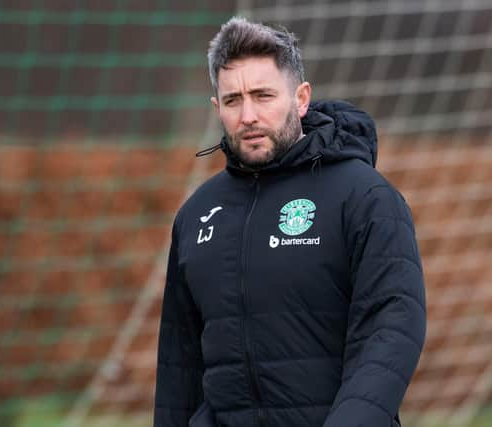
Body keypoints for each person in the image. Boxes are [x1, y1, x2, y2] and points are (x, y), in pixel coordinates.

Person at [154, 16, 426, 427]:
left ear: (301, 98)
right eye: (233, 101)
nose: (248, 115)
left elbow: (391, 329)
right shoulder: (197, 215)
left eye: (263, 96)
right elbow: (179, 362)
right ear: (217, 108)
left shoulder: (364, 197)